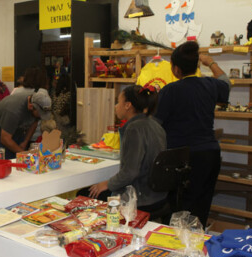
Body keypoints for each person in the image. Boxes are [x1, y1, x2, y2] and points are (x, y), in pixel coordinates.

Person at [154, 41, 230, 226]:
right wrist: (210, 62)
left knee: (177, 211)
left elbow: (156, 125)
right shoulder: (210, 84)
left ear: (176, 69)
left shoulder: (170, 90)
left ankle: (175, 250)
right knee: (200, 210)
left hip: (182, 159)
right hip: (210, 154)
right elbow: (226, 82)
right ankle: (195, 248)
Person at [86, 85, 168, 214]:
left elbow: (130, 173)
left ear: (128, 105)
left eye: (118, 102)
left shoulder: (134, 129)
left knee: (86, 194)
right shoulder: (155, 125)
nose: (116, 106)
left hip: (139, 197)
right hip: (157, 195)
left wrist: (106, 184)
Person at [0, 90, 52, 159]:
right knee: (7, 159)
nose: (41, 116)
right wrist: (24, 153)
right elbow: (5, 139)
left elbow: (34, 123)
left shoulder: (37, 99)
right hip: (0, 131)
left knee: (20, 155)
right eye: (40, 114)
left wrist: (25, 142)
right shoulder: (13, 111)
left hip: (17, 127)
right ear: (31, 107)